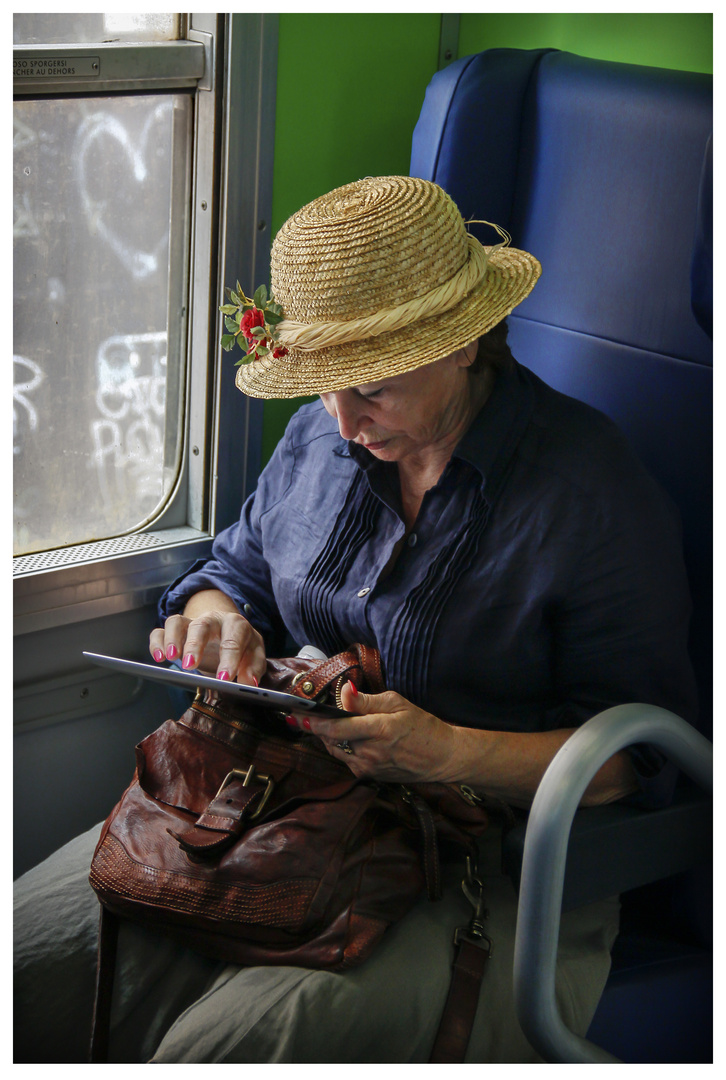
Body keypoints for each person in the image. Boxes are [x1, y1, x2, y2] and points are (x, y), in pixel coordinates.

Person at [14, 175, 696, 1063]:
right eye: (322, 385)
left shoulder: (592, 497)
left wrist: (446, 749)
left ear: (464, 344)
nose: (340, 421)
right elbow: (230, 575)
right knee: (23, 956)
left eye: (369, 385)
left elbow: (638, 759)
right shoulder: (319, 438)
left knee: (236, 1045)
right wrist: (220, 621)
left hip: (494, 867)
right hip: (279, 806)